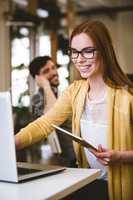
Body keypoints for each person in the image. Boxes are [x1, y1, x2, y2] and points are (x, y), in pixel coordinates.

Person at [15, 20, 133, 200]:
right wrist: (11, 143)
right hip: (88, 183)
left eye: (88, 51)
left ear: (104, 50)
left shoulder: (128, 97)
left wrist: (121, 156)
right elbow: (45, 124)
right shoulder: (75, 92)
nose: (80, 59)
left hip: (122, 188)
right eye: (75, 52)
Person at [28, 56, 76, 166]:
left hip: (80, 156)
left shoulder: (62, 92)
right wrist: (45, 85)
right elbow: (54, 116)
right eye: (46, 71)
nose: (54, 72)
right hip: (66, 162)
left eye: (53, 68)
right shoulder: (37, 99)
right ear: (38, 78)